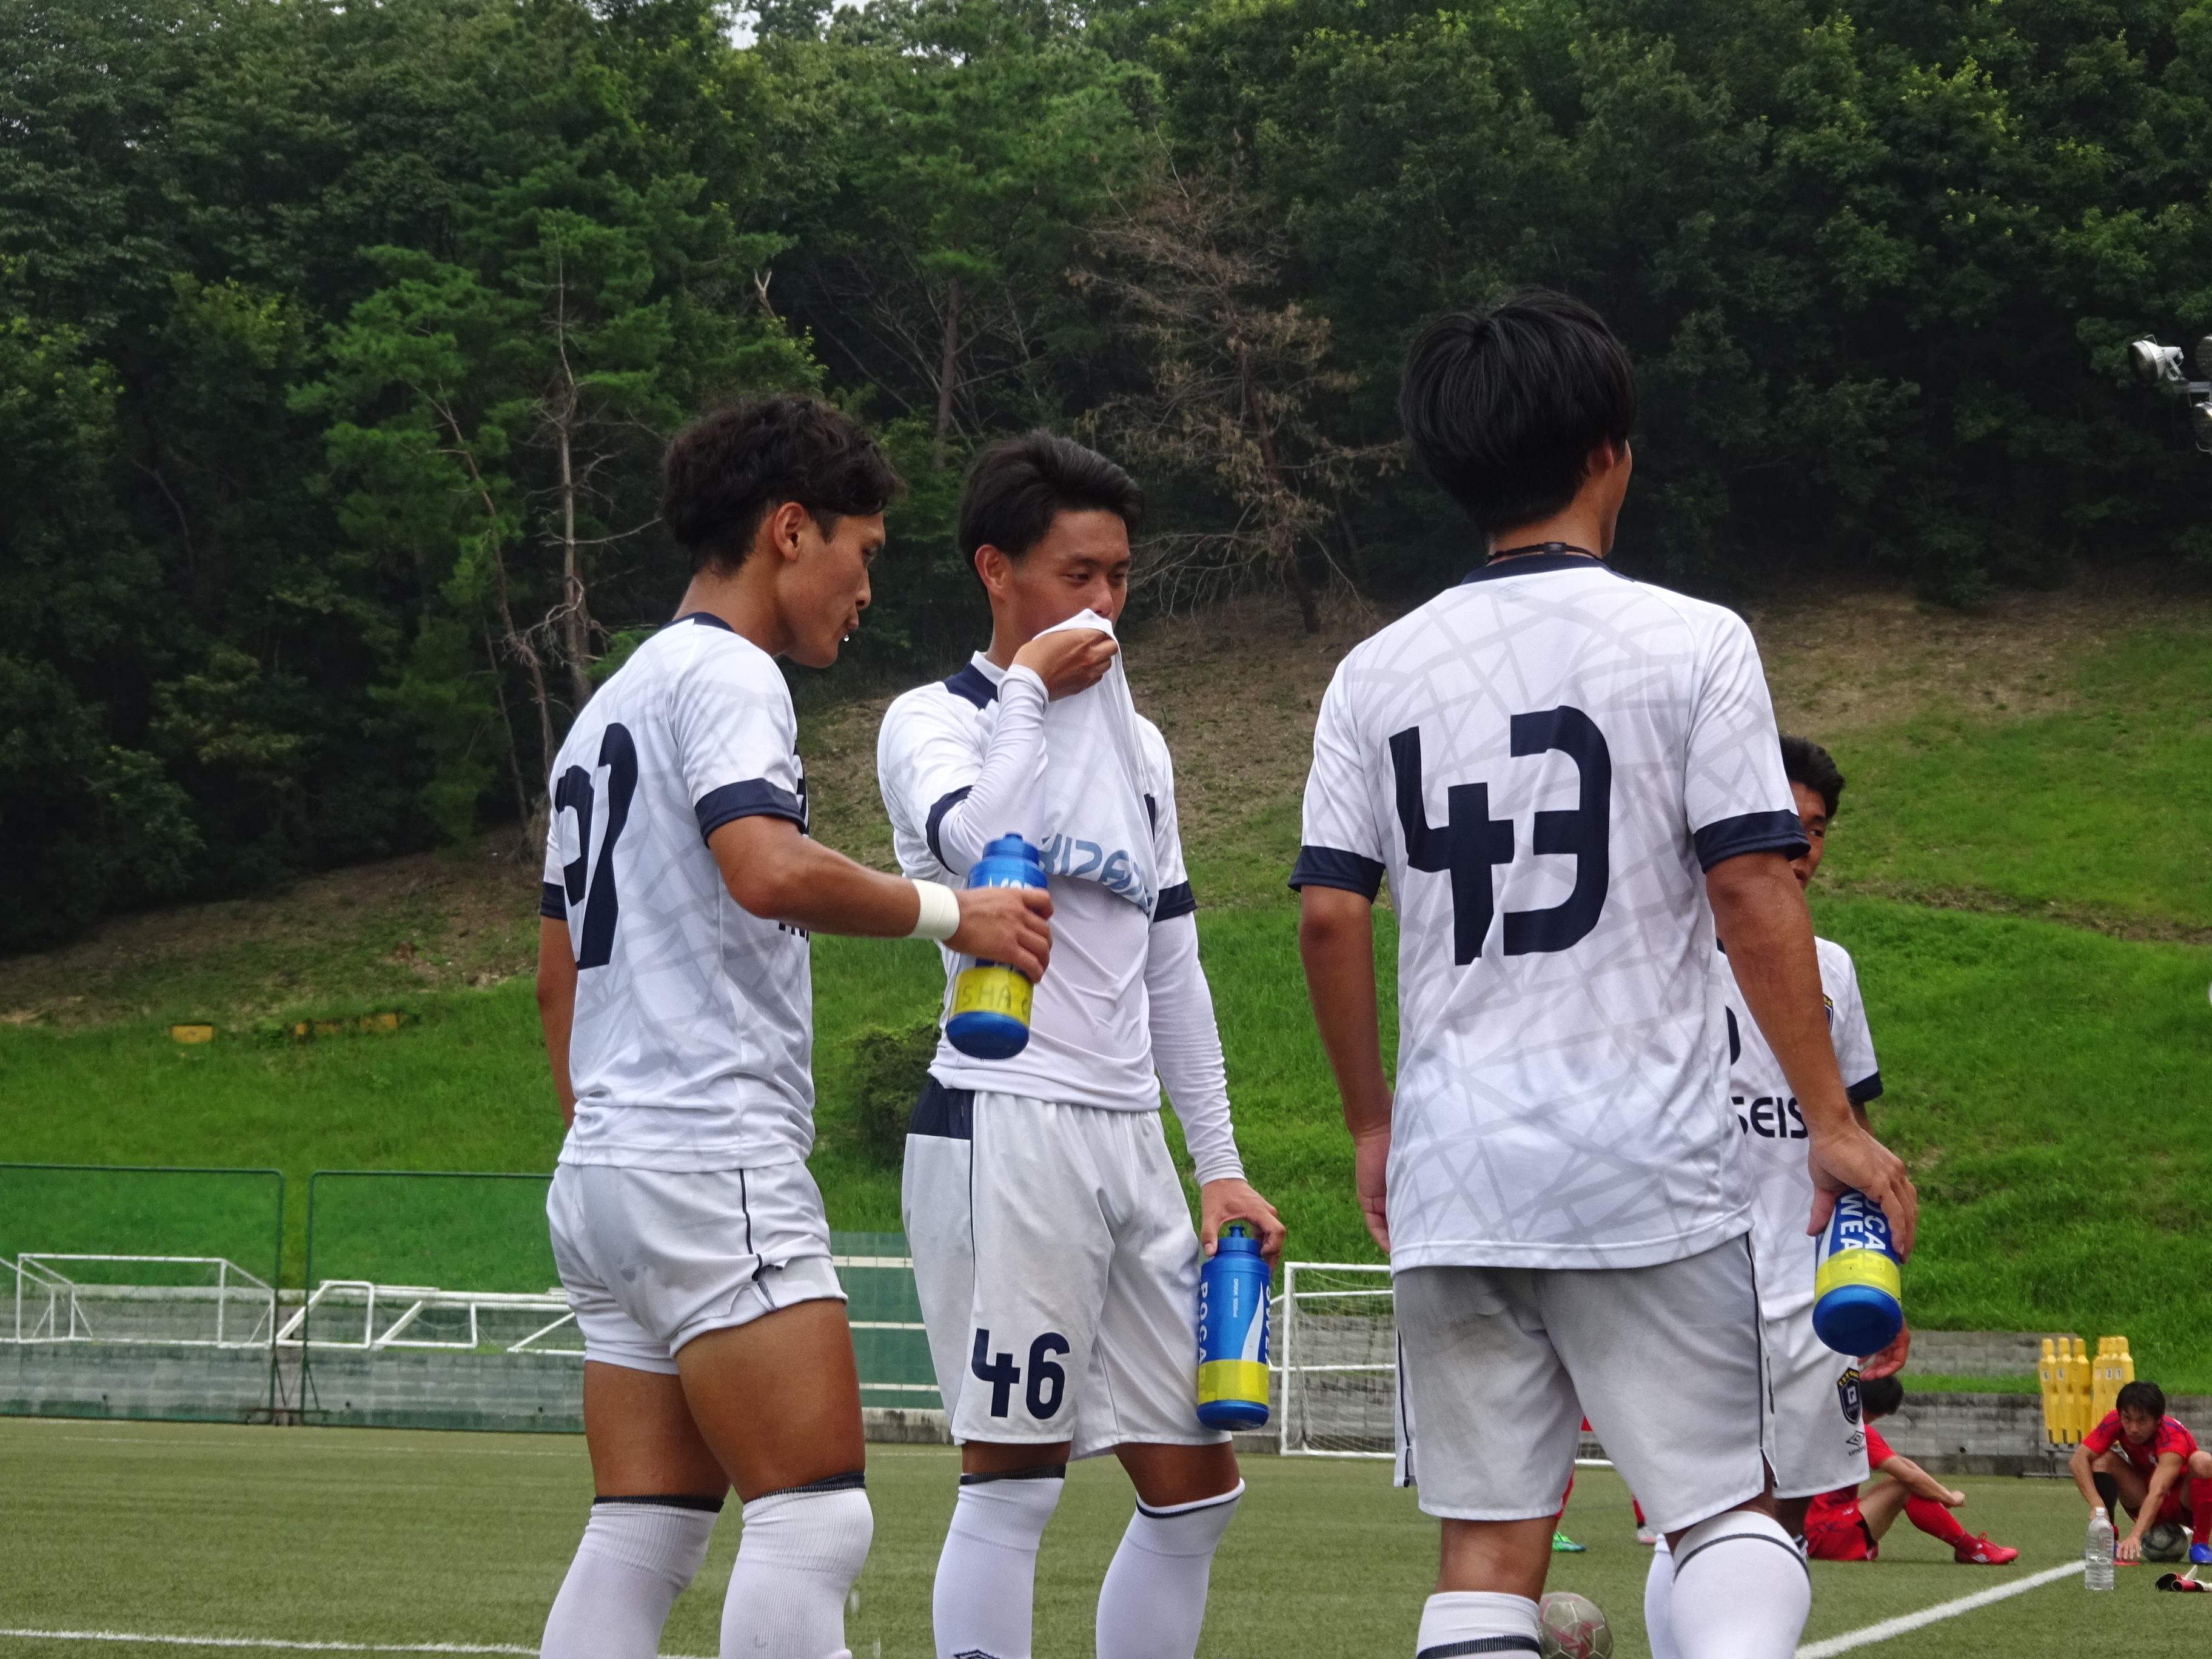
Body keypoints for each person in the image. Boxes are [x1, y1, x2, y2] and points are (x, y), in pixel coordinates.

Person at [1292, 290, 1916, 1659]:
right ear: (1607, 452)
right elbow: (1751, 886)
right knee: (1722, 1509)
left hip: (1457, 1162)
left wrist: (1370, 1121)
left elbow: (1330, 915)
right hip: (1642, 1156)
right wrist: (1829, 1119)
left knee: (1485, 1550)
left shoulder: (1369, 673)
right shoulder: (1694, 641)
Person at [533, 395, 1055, 1659]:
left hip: (607, 1166)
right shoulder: (730, 672)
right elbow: (764, 867)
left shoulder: (606, 708)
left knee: (643, 1531)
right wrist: (959, 914)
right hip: (706, 1150)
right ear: (787, 530)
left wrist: (615, 1143)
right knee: (812, 1522)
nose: (866, 588)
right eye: (860, 552)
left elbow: (556, 977)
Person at [876, 431, 1285, 1659]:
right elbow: (979, 848)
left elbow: (1172, 968)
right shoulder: (932, 721)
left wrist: (1218, 1164)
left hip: (1127, 1134)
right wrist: (1029, 691)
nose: (1104, 605)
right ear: (996, 569)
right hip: (1003, 1121)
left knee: (1197, 1490)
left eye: (1118, 576)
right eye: (1076, 575)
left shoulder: (1142, 748)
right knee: (1015, 1479)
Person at [1644, 734, 1912, 1651]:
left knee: (1791, 1510)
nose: (1801, 850)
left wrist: (1880, 1281)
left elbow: (1856, 1138)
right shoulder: (1668, 956)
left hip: (1810, 1283)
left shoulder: (1832, 969)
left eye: (1817, 830)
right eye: (1783, 826)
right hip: (1694, 1268)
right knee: (1706, 1508)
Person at [1801, 1378, 2019, 1563]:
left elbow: (1903, 1464)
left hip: (1814, 1530)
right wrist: (1949, 1498)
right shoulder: (1856, 1430)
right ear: (1881, 1413)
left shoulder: (1829, 1420)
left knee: (1901, 1482)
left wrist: (1940, 1492)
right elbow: (1908, 1477)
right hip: (1825, 1534)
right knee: (1903, 1485)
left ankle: (1970, 1549)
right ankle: (1972, 1549)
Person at [2070, 1379, 2212, 1565]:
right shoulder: (2114, 1421)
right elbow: (2078, 1460)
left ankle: (2200, 1544)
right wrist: (2097, 1506)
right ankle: (2106, 1540)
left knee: (2203, 1461)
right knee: (2101, 1460)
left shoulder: (2172, 1436)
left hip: (2182, 1503)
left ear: (2158, 1419)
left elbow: (2159, 1491)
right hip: (2143, 1496)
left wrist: (2135, 1536)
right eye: (2127, 1419)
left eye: (2143, 1421)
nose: (2133, 1428)